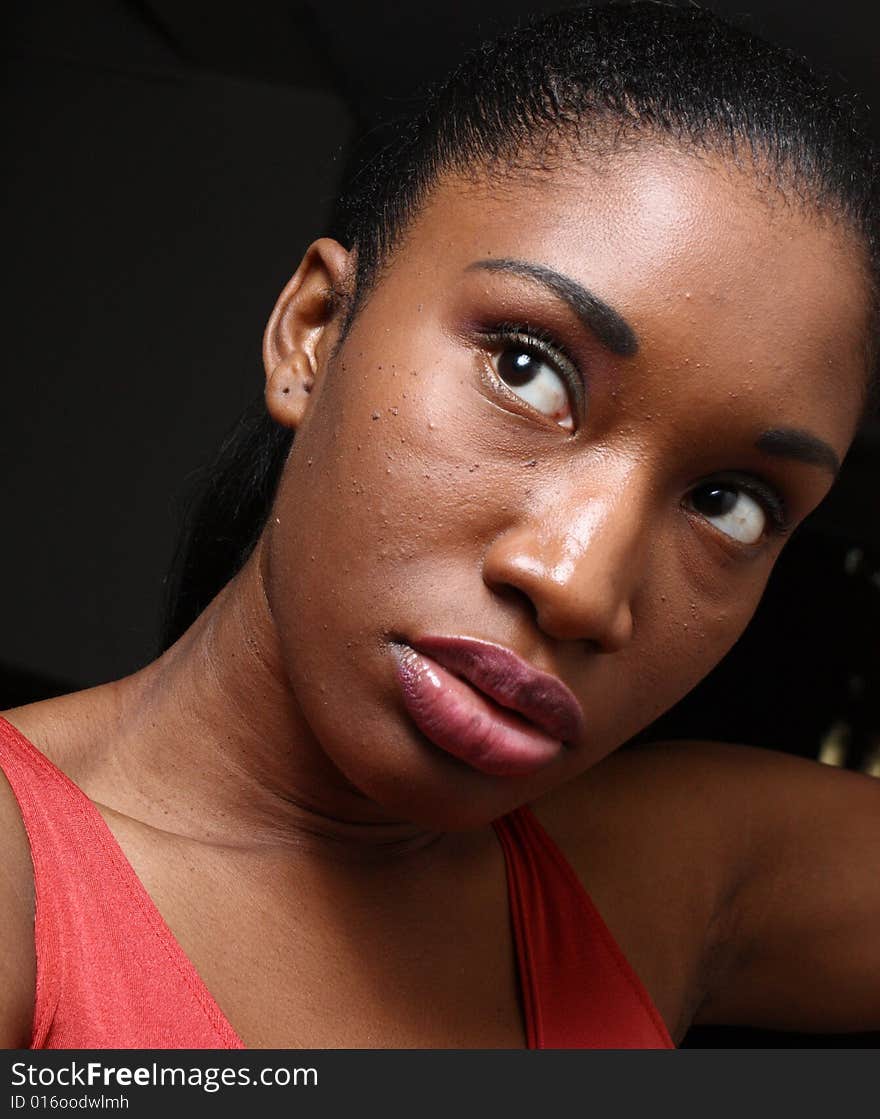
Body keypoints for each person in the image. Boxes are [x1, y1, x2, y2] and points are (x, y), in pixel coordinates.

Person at [1, 0, 878, 1049]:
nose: (579, 585)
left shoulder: (677, 879)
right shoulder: (25, 890)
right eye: (527, 368)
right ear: (314, 332)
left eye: (728, 502)